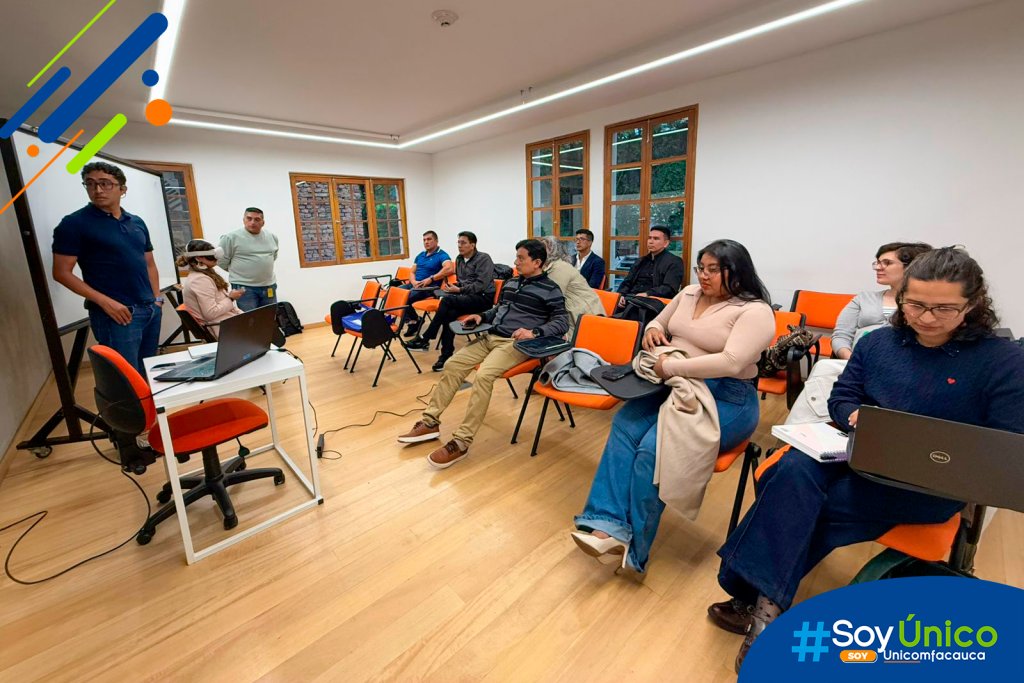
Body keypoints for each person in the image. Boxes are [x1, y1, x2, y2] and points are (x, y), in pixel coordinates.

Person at [710, 247, 1024, 674]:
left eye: (944, 309)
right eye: (915, 305)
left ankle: (757, 605)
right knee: (792, 470)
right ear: (901, 297)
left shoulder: (1001, 360)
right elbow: (843, 396)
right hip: (860, 452)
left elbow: (1006, 442)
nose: (927, 318)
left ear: (972, 305)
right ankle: (764, 606)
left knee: (797, 499)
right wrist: (854, 416)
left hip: (929, 481)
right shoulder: (878, 343)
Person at [571, 240, 775, 572]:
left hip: (726, 397)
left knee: (654, 448)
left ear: (736, 273)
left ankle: (633, 547)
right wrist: (652, 331)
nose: (704, 276)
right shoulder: (690, 293)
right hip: (672, 384)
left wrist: (672, 366)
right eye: (701, 268)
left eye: (713, 270)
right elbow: (659, 321)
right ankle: (606, 525)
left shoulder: (754, 311)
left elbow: (731, 361)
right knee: (624, 426)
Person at [398, 239, 569, 468]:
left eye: (521, 258)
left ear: (537, 262)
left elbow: (562, 322)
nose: (515, 262)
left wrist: (534, 332)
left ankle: (461, 441)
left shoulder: (550, 289)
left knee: (483, 376)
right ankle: (430, 422)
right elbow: (498, 309)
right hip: (491, 336)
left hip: (515, 343)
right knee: (452, 364)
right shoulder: (511, 283)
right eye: (516, 257)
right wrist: (482, 316)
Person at [785, 241, 932, 425]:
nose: (878, 267)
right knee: (825, 368)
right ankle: (799, 432)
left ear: (910, 267)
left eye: (886, 263)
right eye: (877, 262)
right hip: (855, 364)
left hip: (901, 370)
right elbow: (841, 335)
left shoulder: (924, 308)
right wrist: (853, 360)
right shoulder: (863, 299)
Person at [52, 161, 165, 377]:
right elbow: (61, 273)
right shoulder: (74, 224)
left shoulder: (136, 222)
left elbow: (149, 263)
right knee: (124, 380)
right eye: (90, 183)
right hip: (116, 315)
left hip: (149, 308)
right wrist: (105, 302)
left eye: (105, 183)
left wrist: (157, 299)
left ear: (122, 189)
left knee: (148, 375)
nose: (98, 190)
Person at [405, 231, 496, 371]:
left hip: (483, 298)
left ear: (472, 245)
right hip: (466, 297)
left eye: (463, 243)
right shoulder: (459, 259)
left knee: (447, 301)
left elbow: (480, 285)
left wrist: (459, 290)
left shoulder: (484, 258)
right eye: (458, 242)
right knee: (449, 314)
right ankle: (445, 356)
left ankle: (427, 336)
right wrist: (454, 286)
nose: (459, 246)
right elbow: (463, 281)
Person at [538, 235, 605, 336]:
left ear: (553, 250)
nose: (538, 251)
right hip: (572, 310)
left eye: (543, 248)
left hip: (583, 314)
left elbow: (550, 297)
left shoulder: (559, 267)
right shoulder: (549, 266)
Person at [177, 239, 243, 337]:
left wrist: (243, 315)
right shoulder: (199, 280)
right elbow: (211, 313)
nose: (215, 259)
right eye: (211, 257)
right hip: (221, 328)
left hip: (228, 322)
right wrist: (231, 298)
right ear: (198, 258)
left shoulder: (206, 274)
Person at [218, 207, 279, 312]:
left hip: (268, 285)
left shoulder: (272, 237)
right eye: (249, 218)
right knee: (249, 319)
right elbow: (221, 261)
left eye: (257, 219)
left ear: (263, 222)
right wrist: (239, 272)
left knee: (269, 318)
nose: (252, 222)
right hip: (244, 288)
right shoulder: (230, 238)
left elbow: (273, 257)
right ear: (243, 220)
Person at [400, 230, 453, 337]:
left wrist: (431, 279)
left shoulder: (442, 255)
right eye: (424, 240)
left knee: (404, 298)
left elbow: (450, 268)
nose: (426, 242)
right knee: (393, 293)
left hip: (429, 288)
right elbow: (412, 272)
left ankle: (413, 322)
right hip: (415, 284)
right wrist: (413, 282)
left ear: (436, 241)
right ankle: (414, 319)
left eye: (429, 239)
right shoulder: (420, 255)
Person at [616, 225, 685, 304]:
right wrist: (621, 295)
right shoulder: (641, 261)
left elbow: (669, 288)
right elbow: (627, 282)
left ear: (666, 243)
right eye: (649, 238)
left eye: (656, 239)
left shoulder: (674, 262)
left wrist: (648, 294)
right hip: (631, 299)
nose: (650, 242)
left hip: (653, 303)